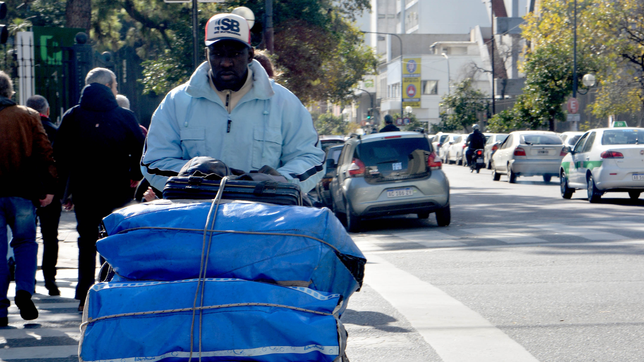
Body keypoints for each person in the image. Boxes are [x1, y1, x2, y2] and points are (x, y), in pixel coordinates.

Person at [141, 12, 325, 195]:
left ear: (250, 54)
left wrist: (278, 181)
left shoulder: (284, 102)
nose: (226, 62)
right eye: (217, 53)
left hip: (263, 218)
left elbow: (311, 158)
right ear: (207, 54)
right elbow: (153, 162)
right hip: (194, 219)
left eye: (235, 54)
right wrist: (190, 171)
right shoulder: (177, 101)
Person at [55, 67, 145, 311]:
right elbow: (140, 149)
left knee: (86, 240)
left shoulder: (73, 116)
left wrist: (65, 189)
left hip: (85, 188)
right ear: (108, 86)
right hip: (116, 188)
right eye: (115, 85)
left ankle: (84, 291)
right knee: (113, 239)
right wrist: (134, 176)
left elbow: (60, 154)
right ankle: (109, 287)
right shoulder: (124, 116)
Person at [0, 72, 57, 326]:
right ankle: (24, 290)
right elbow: (45, 154)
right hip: (23, 193)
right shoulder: (29, 116)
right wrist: (49, 187)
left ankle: (0, 308)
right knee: (25, 244)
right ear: (10, 92)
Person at [26, 95, 62, 296]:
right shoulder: (55, 132)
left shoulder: (21, 130)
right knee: (50, 237)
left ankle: (28, 280)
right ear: (47, 111)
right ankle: (50, 279)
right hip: (50, 192)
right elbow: (60, 163)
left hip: (25, 191)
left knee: (26, 239)